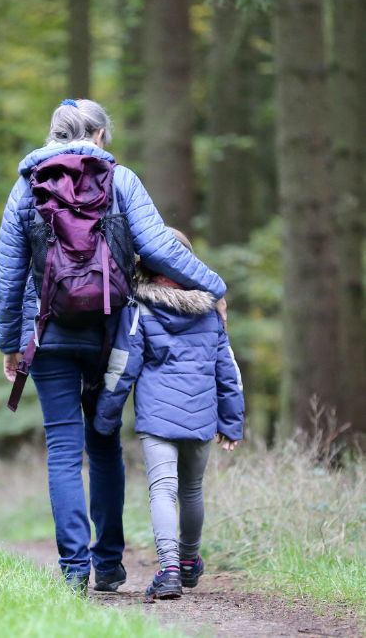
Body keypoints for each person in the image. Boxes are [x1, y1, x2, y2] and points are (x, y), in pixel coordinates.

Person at [0, 98, 228, 593]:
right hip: (110, 333)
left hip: (48, 332)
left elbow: (9, 276)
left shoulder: (26, 187)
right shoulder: (121, 180)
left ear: (53, 134)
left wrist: (10, 342)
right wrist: (214, 286)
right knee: (103, 443)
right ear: (99, 135)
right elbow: (160, 248)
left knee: (62, 449)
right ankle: (109, 564)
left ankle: (74, 570)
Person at [94, 228, 244, 600]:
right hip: (202, 415)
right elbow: (227, 370)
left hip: (158, 418)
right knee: (191, 490)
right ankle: (190, 561)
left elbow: (123, 365)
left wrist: (105, 416)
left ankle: (170, 569)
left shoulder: (139, 308)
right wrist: (231, 421)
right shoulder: (210, 310)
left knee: (162, 490)